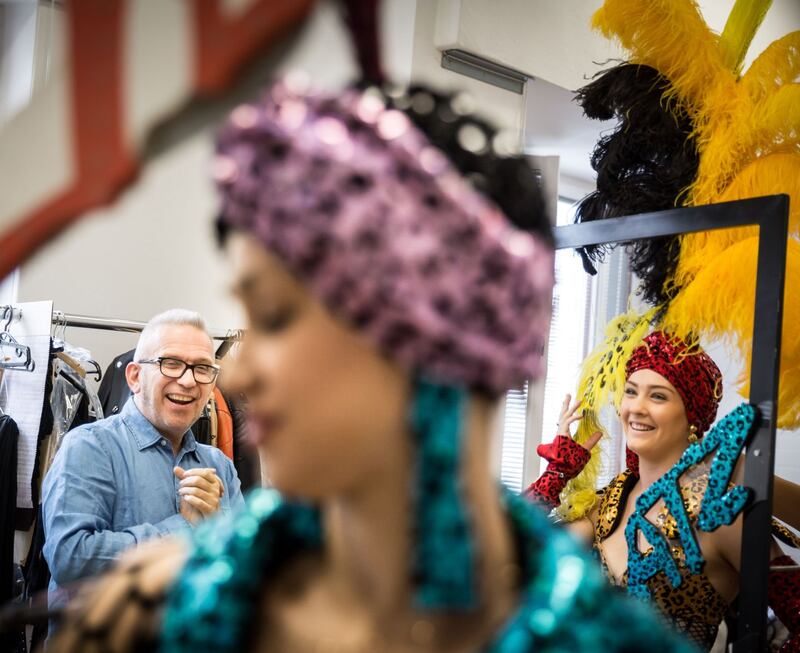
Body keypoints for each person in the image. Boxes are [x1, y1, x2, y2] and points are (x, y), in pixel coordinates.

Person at [42, 72, 703, 652]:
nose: (235, 376)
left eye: (274, 317)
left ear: (435, 332)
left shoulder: (605, 639)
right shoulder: (153, 614)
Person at [525, 331, 799, 651]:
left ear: (692, 417)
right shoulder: (609, 504)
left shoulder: (723, 514)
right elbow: (512, 554)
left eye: (658, 396)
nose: (637, 408)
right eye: (631, 391)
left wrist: (743, 468)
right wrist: (558, 473)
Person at [41, 309, 244, 607]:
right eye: (171, 363)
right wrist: (185, 529)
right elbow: (71, 558)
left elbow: (245, 568)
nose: (189, 381)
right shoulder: (89, 448)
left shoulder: (220, 466)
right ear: (135, 376)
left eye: (202, 368)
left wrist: (218, 528)